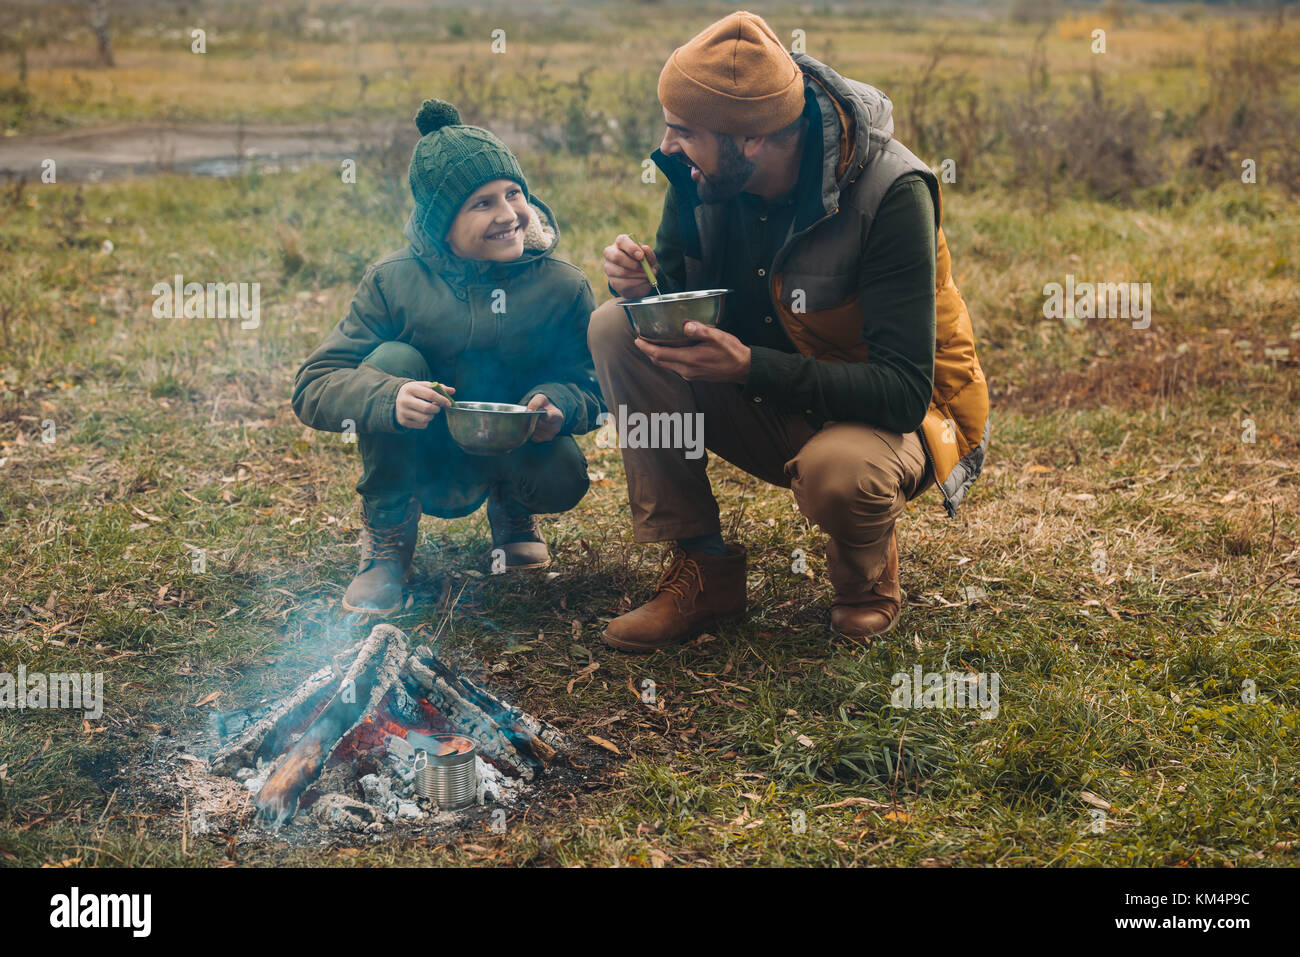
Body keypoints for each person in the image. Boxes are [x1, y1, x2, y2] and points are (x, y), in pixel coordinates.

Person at [588, 10, 989, 652]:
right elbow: (691, 308)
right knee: (617, 329)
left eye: (683, 131)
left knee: (842, 471)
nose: (665, 148)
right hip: (769, 390)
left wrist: (749, 368)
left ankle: (864, 579)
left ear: (750, 140)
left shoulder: (891, 193)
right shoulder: (702, 176)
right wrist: (643, 294)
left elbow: (904, 392)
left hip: (893, 421)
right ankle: (704, 570)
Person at [293, 99, 603, 616]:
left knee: (564, 473)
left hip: (516, 450)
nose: (508, 215)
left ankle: (514, 512)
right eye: (481, 204)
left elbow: (593, 381)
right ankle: (389, 544)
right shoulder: (393, 281)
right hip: (425, 454)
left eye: (513, 193)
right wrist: (388, 397)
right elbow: (314, 385)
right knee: (391, 358)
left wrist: (562, 405)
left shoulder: (562, 285)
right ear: (442, 222)